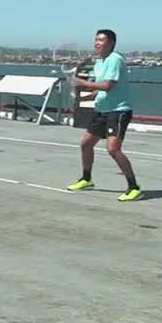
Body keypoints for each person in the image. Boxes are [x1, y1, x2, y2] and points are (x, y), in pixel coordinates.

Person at [67, 29, 142, 201]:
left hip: (118, 111)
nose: (97, 43)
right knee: (86, 144)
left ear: (111, 43)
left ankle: (134, 187)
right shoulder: (99, 63)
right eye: (96, 40)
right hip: (101, 110)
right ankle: (86, 179)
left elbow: (108, 86)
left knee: (113, 149)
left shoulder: (115, 60)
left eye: (101, 40)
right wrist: (82, 94)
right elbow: (97, 87)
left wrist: (82, 82)